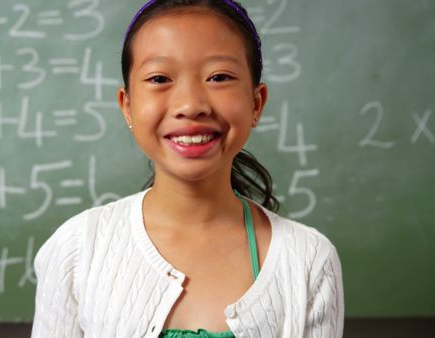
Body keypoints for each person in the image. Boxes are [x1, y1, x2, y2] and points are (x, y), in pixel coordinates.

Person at [31, 1, 344, 337]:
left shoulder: (308, 260)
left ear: (256, 103)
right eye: (159, 78)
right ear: (128, 106)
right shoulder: (78, 249)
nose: (191, 105)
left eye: (219, 77)